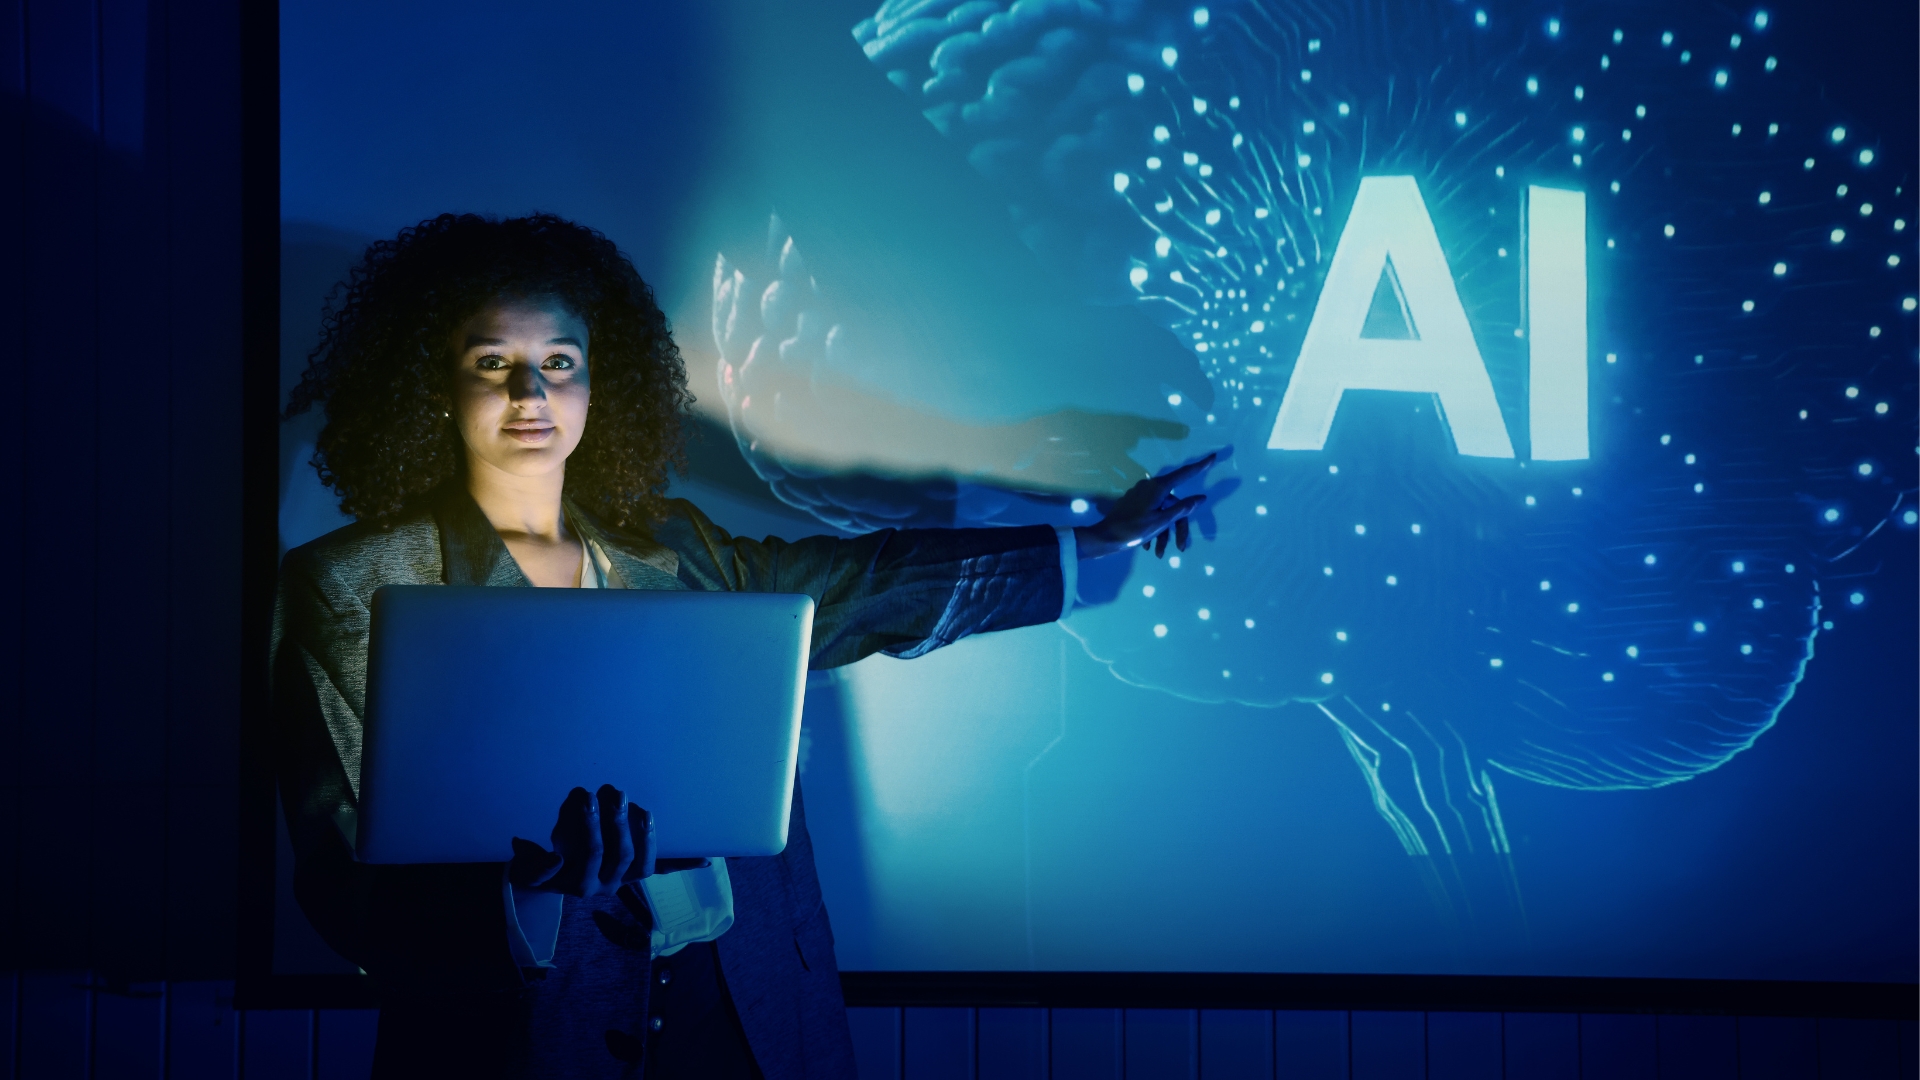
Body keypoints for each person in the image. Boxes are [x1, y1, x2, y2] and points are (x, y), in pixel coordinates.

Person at [274, 212, 1211, 1078]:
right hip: (515, 1041)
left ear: (602, 382)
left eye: (561, 360)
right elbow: (342, 880)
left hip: (747, 1011)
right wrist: (528, 894)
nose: (531, 391)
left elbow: (860, 584)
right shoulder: (352, 585)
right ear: (434, 386)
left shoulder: (677, 549)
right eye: (491, 362)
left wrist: (1087, 542)